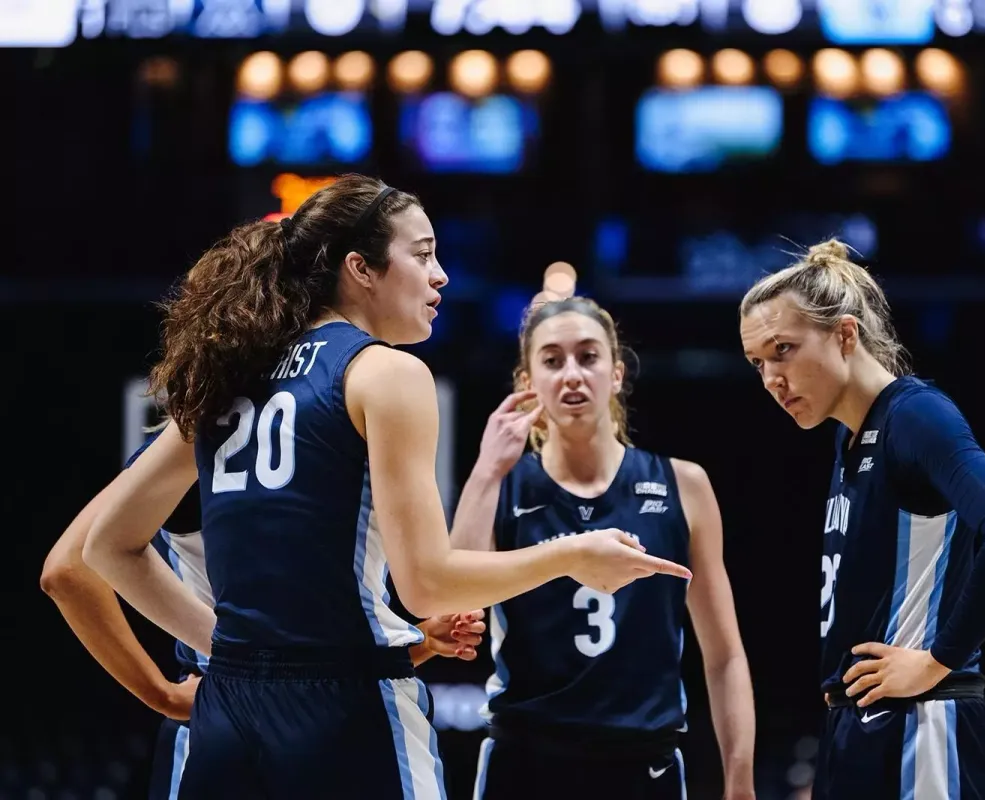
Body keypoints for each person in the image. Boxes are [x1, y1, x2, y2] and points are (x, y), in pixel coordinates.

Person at [81, 175, 691, 799]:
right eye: (423, 254)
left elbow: (107, 545)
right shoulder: (387, 372)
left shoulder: (234, 372)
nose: (441, 275)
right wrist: (573, 555)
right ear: (360, 268)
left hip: (228, 715)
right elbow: (428, 586)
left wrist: (225, 644)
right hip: (348, 708)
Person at [739, 239, 985, 800]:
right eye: (758, 362)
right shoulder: (846, 439)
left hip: (922, 723)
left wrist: (938, 661)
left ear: (846, 335)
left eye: (782, 349)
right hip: (856, 728)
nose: (770, 379)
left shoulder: (916, 417)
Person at [44, 426, 487, 799]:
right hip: (264, 718)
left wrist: (420, 641)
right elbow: (67, 570)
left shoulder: (297, 435)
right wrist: (161, 693)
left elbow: (305, 652)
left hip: (285, 712)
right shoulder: (217, 437)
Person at [451, 293, 757, 800]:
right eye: (552, 360)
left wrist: (740, 780)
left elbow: (724, 656)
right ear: (527, 384)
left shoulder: (683, 484)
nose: (572, 373)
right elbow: (452, 607)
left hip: (643, 764)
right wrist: (486, 469)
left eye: (588, 357)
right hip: (526, 762)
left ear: (616, 374)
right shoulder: (502, 487)